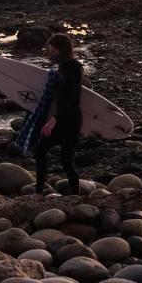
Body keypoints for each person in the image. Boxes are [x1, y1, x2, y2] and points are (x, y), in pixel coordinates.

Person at [34, 33, 83, 194]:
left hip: (70, 120)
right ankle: (38, 192)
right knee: (40, 150)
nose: (51, 54)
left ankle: (75, 196)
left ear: (62, 50)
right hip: (62, 118)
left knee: (66, 161)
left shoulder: (74, 67)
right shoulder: (61, 67)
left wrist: (53, 120)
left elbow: (73, 98)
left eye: (53, 51)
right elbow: (60, 97)